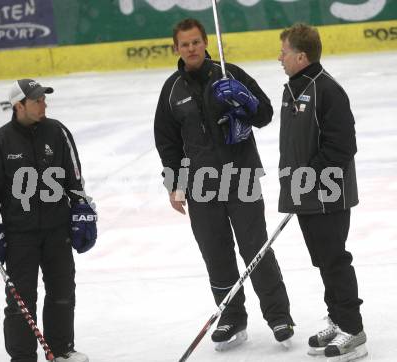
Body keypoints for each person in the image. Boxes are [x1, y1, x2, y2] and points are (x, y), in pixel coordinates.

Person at [154, 18, 294, 351]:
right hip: (201, 186)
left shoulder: (230, 74)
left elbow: (265, 115)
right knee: (216, 255)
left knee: (255, 250)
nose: (191, 48)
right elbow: (167, 141)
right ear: (177, 48)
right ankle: (231, 318)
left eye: (196, 42)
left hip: (242, 177)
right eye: (184, 44)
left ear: (205, 43)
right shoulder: (172, 90)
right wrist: (174, 182)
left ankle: (278, 315)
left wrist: (245, 99)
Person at [0, 79, 97, 362]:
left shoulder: (58, 132)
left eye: (44, 99)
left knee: (63, 290)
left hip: (57, 229)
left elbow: (73, 176)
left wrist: (81, 207)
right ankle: (22, 357)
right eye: (37, 100)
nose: (44, 104)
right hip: (20, 235)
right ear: (19, 106)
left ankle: (62, 349)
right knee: (20, 299)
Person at [277, 23, 367, 361]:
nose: (279, 58)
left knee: (334, 259)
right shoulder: (294, 89)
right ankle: (338, 317)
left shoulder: (327, 90)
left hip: (329, 195)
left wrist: (308, 178)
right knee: (323, 262)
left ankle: (353, 330)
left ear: (301, 56)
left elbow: (343, 147)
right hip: (306, 196)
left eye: (284, 52)